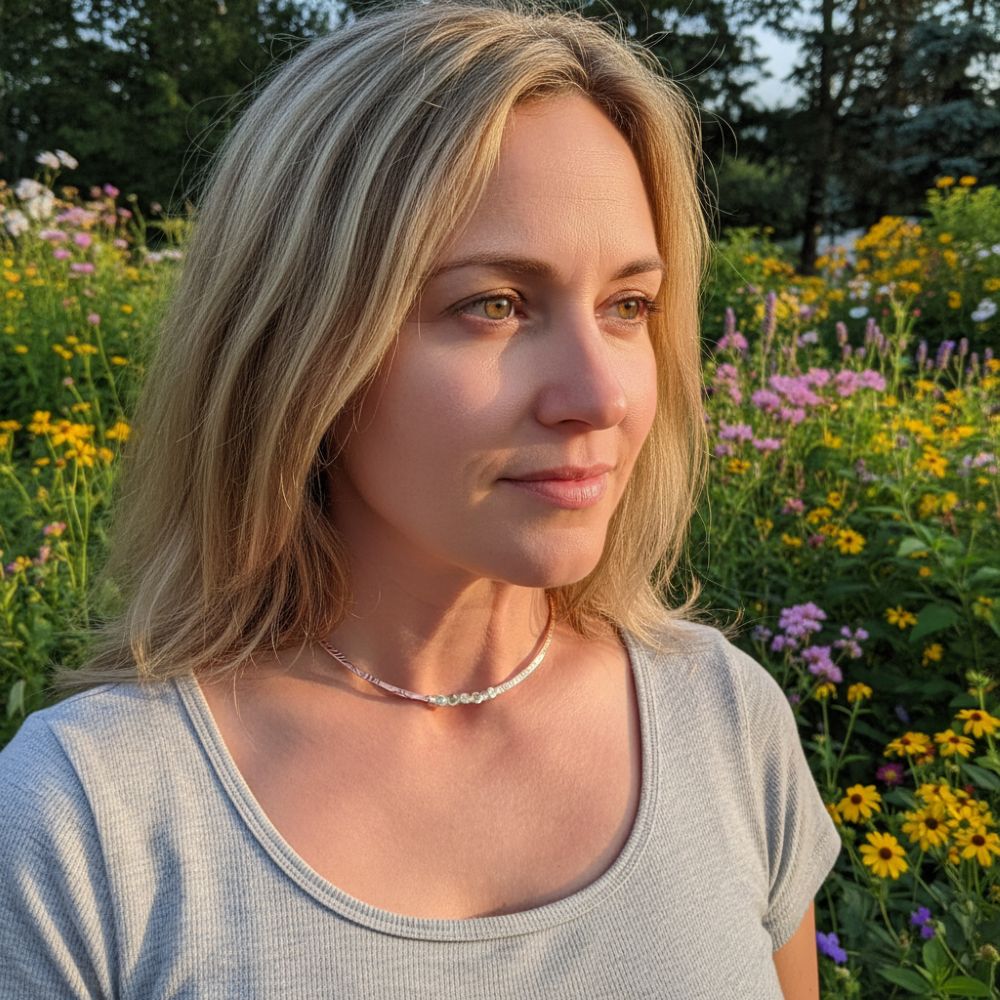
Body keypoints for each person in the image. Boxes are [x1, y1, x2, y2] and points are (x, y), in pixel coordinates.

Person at [0, 2, 841, 997]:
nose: (601, 395)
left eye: (628, 306)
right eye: (494, 304)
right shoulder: (86, 823)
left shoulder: (722, 717)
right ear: (298, 344)